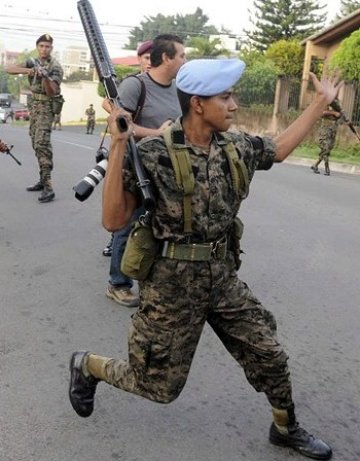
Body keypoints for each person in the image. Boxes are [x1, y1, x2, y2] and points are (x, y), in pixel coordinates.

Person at [69, 59, 342, 459]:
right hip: (171, 285)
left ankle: (285, 427)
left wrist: (319, 103)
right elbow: (113, 219)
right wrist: (119, 145)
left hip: (221, 274)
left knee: (270, 354)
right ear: (198, 104)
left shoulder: (234, 147)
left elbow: (279, 149)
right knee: (159, 387)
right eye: (226, 97)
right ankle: (87, 365)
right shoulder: (154, 153)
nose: (234, 105)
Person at [104, 34, 185, 307]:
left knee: (157, 228)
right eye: (182, 56)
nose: (185, 61)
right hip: (134, 169)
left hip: (164, 170)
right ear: (167, 58)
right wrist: (157, 133)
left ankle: (150, 280)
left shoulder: (178, 89)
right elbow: (120, 126)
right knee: (127, 227)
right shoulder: (135, 85)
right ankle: (118, 283)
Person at [101, 39, 154, 259]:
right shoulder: (134, 83)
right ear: (140, 60)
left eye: (154, 58)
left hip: (153, 157)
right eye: (147, 58)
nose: (151, 62)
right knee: (123, 211)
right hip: (130, 153)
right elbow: (107, 102)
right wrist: (119, 113)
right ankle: (118, 277)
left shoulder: (164, 84)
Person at [5, 34, 63, 203]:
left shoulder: (55, 67)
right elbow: (9, 68)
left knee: (42, 144)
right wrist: (28, 71)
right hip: (34, 108)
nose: (45, 49)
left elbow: (52, 91)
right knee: (34, 142)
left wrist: (45, 76)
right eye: (42, 46)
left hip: (46, 108)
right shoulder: (32, 61)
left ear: (51, 49)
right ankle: (42, 179)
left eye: (48, 46)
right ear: (37, 47)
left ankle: (49, 187)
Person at [310, 106, 343, 176]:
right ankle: (327, 169)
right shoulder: (327, 103)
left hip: (332, 134)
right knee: (325, 150)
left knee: (326, 151)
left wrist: (337, 114)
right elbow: (322, 112)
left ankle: (315, 165)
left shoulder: (336, 105)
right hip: (324, 133)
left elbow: (340, 115)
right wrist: (333, 113)